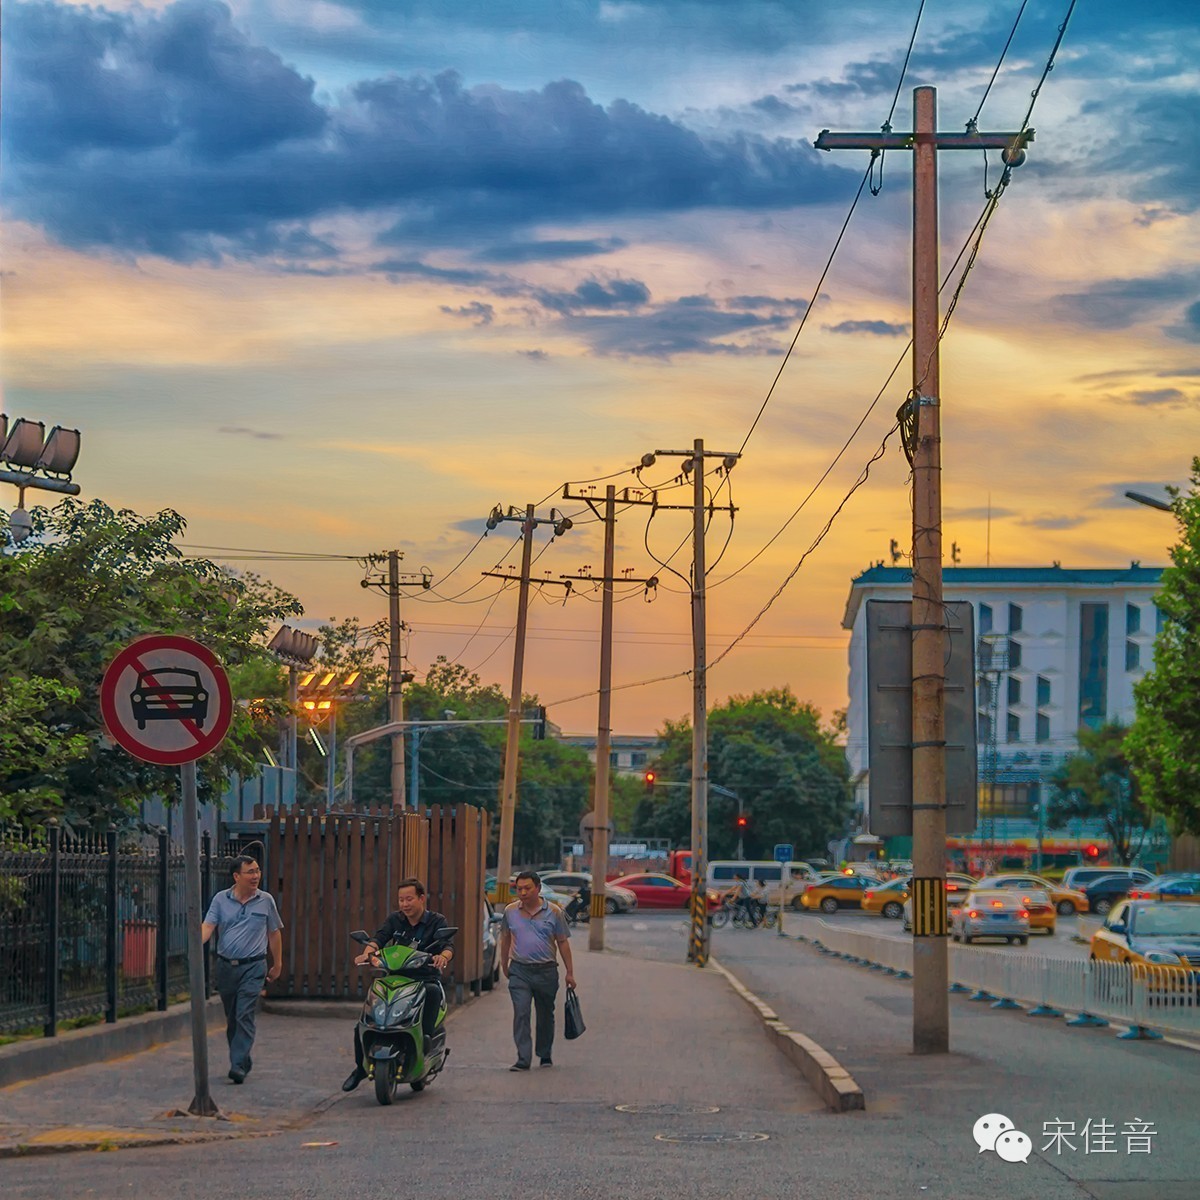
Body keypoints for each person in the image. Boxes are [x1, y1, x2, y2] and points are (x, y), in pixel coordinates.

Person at [341, 877, 453, 1092]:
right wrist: (367, 953)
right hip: (394, 978)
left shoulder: (437, 921)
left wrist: (443, 957)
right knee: (363, 1022)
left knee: (432, 992)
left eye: (409, 899)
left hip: (424, 978)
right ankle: (360, 1068)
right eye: (401, 900)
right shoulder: (395, 920)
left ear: (421, 898)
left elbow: (447, 945)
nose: (404, 904)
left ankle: (426, 1040)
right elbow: (379, 939)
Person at [200, 855, 283, 1085]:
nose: (255, 876)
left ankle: (237, 1064)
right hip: (226, 966)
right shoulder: (220, 900)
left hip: (254, 966)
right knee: (233, 1018)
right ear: (237, 876)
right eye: (250, 872)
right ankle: (243, 1060)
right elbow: (208, 925)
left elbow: (274, 933)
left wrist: (278, 964)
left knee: (244, 1012)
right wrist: (197, 942)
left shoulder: (265, 900)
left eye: (257, 871)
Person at [500, 871, 576, 1071]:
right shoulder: (510, 911)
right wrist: (503, 964)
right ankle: (523, 1059)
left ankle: (544, 1053)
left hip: (546, 971)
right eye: (519, 889)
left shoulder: (554, 912)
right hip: (519, 970)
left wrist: (570, 972)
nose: (523, 892)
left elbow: (562, 943)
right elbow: (506, 938)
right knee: (521, 1011)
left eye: (527, 888)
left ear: (538, 888)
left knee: (545, 1014)